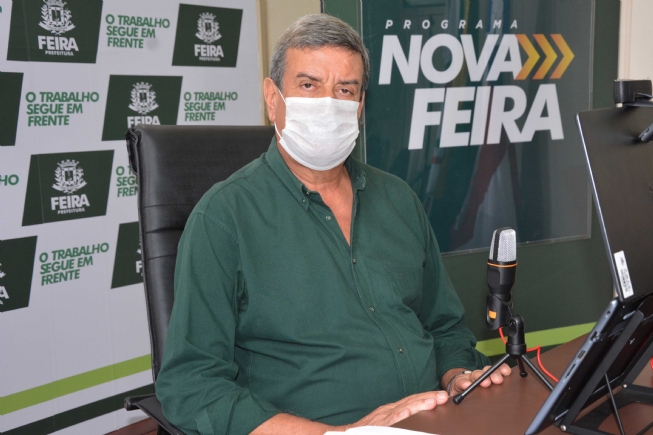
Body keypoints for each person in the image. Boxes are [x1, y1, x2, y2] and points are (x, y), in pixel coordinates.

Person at [156, 14, 511, 435]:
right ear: (272, 97)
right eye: (309, 85)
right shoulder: (223, 218)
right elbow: (192, 385)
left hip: (435, 419)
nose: (329, 103)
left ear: (359, 107)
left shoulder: (399, 199)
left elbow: (444, 326)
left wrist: (457, 376)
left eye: (345, 90)